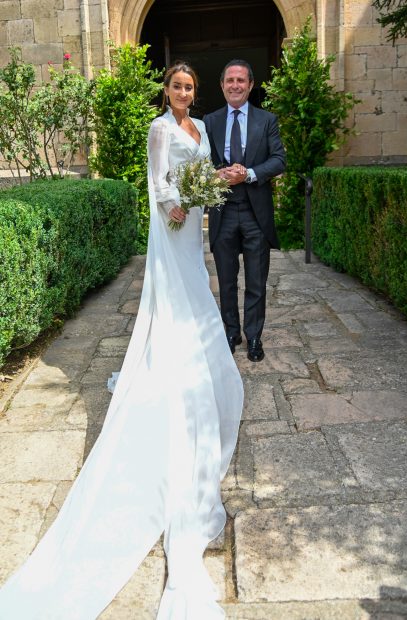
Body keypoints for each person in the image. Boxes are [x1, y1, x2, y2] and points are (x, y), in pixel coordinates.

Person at [0, 62, 243, 620]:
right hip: (173, 224)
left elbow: (199, 171)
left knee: (200, 296)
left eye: (190, 88)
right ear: (167, 91)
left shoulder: (201, 130)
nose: (184, 93)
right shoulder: (161, 129)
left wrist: (209, 187)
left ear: (194, 94)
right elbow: (159, 182)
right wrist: (174, 204)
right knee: (177, 297)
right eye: (177, 87)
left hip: (195, 224)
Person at [204, 59, 286, 362]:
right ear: (222, 86)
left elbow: (278, 160)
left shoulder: (267, 121)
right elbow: (203, 163)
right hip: (223, 210)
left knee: (256, 281)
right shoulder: (209, 122)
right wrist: (219, 174)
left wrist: (249, 173)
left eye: (241, 80)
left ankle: (254, 338)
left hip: (255, 214)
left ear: (250, 85)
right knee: (225, 280)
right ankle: (231, 332)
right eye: (230, 81)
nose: (235, 86)